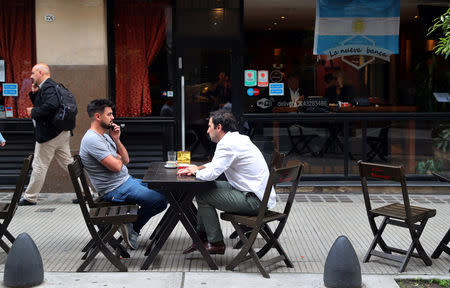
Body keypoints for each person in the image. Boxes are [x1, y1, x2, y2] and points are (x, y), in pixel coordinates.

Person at [178, 109, 274, 255]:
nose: (207, 130)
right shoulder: (237, 139)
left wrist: (196, 172)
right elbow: (216, 165)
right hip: (254, 193)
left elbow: (212, 174)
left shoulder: (227, 144)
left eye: (210, 126)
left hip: (255, 201)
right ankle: (202, 238)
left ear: (219, 127)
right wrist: (198, 168)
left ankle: (215, 243)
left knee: (203, 196)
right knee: (201, 189)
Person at [80, 99, 167, 250]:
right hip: (115, 190)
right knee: (159, 201)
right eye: (109, 114)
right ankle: (133, 228)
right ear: (98, 117)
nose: (113, 117)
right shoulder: (91, 140)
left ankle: (131, 227)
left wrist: (116, 140)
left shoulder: (105, 136)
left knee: (165, 189)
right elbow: (115, 166)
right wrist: (118, 159)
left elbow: (125, 159)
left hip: (126, 182)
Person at [19, 63, 73, 206]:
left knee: (39, 165)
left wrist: (34, 112)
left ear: (41, 73)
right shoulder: (52, 86)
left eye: (33, 73)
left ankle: (30, 197)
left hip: (49, 135)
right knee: (69, 165)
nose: (31, 76)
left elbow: (51, 105)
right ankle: (87, 194)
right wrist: (34, 93)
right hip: (60, 132)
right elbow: (45, 103)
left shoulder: (48, 87)